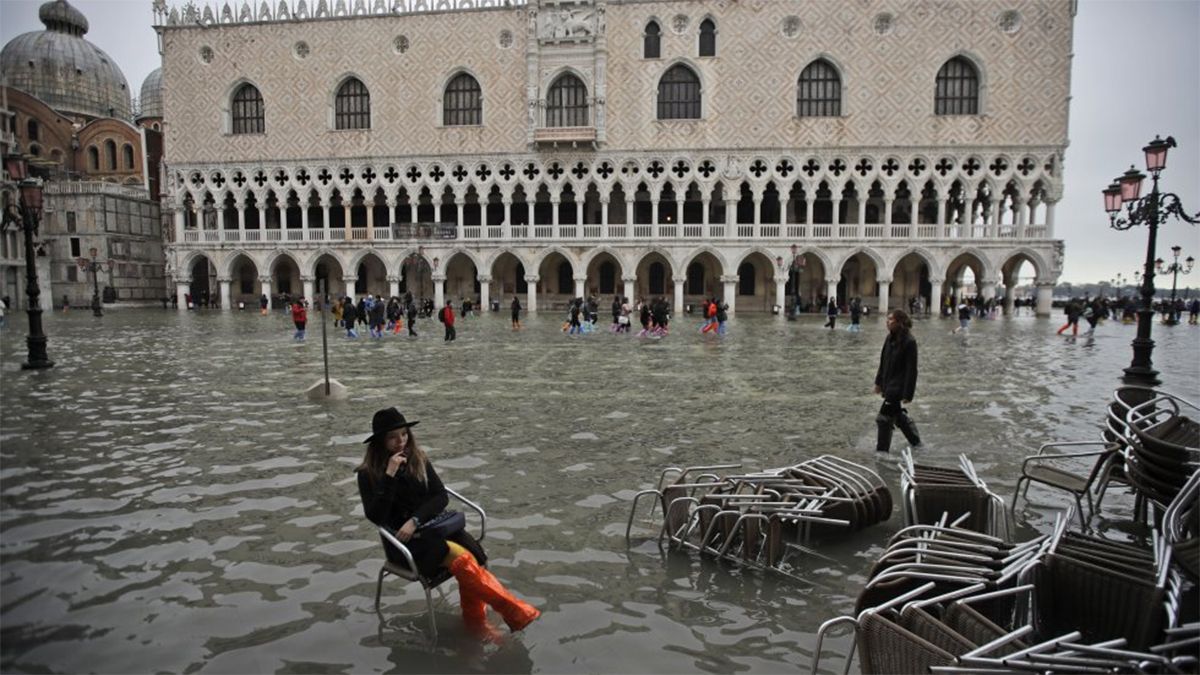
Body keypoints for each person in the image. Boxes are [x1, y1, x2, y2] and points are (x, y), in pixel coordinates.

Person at [356, 408, 539, 640]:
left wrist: (415, 520)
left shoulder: (417, 458)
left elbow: (440, 496)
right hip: (403, 544)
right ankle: (506, 614)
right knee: (463, 559)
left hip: (431, 528)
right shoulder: (367, 474)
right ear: (380, 442)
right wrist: (389, 476)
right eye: (393, 437)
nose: (401, 441)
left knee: (472, 557)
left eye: (404, 434)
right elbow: (376, 516)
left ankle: (480, 624)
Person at [873, 309, 922, 453]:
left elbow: (911, 370)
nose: (887, 322)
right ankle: (916, 443)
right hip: (888, 383)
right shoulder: (889, 338)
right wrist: (878, 382)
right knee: (897, 415)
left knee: (883, 418)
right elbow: (883, 362)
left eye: (890, 319)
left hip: (898, 387)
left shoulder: (910, 342)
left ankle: (882, 451)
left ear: (899, 322)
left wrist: (908, 394)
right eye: (887, 319)